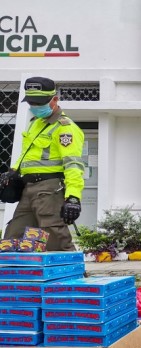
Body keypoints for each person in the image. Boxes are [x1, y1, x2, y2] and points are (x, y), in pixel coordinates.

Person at [2, 76, 85, 251]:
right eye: (32, 102)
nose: (35, 106)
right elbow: (27, 154)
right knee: (13, 239)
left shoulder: (65, 128)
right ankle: (16, 277)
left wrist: (73, 197)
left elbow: (73, 165)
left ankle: (73, 275)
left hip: (50, 190)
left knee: (54, 238)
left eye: (40, 102)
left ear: (55, 99)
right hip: (28, 189)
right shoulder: (35, 124)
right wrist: (13, 172)